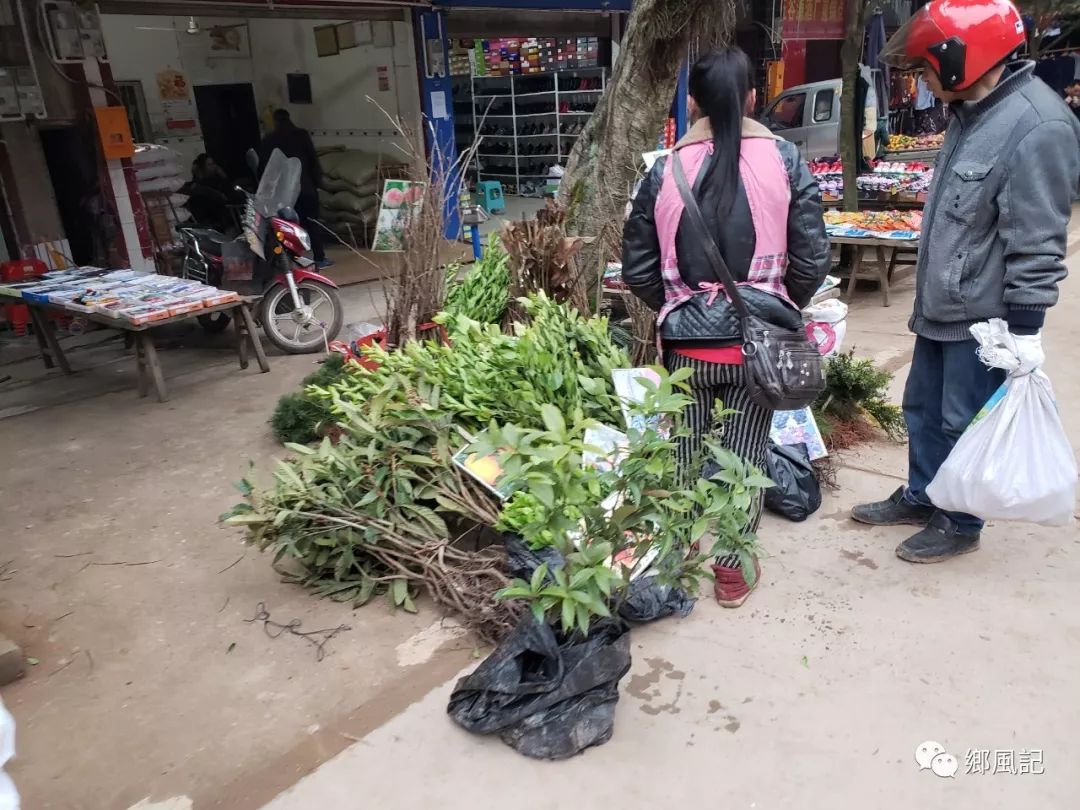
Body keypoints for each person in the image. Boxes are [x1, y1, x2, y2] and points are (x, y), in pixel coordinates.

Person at [853, 0, 1080, 563]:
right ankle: (925, 492)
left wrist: (1024, 332)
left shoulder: (1037, 125)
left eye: (926, 68)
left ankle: (960, 520)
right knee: (922, 409)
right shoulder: (969, 115)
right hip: (941, 304)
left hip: (984, 319)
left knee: (962, 421)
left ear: (961, 60)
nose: (923, 82)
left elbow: (1037, 237)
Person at [622, 47, 831, 605]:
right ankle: (733, 575)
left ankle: (678, 557)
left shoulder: (664, 169)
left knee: (685, 455)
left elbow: (638, 267)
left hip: (685, 348)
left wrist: (678, 307)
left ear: (693, 103)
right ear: (753, 99)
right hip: (755, 350)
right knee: (745, 458)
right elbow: (812, 258)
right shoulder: (786, 160)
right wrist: (780, 307)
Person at [258, 109, 331, 268]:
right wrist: (318, 183)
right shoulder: (301, 135)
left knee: (288, 227)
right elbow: (313, 160)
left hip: (286, 194)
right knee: (312, 223)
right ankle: (320, 257)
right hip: (307, 188)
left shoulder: (270, 139)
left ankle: (294, 260)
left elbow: (264, 168)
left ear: (275, 121)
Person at [182, 154, 240, 232]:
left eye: (213, 164)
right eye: (209, 165)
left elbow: (228, 190)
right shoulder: (198, 184)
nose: (213, 167)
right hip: (211, 217)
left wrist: (223, 176)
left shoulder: (216, 179)